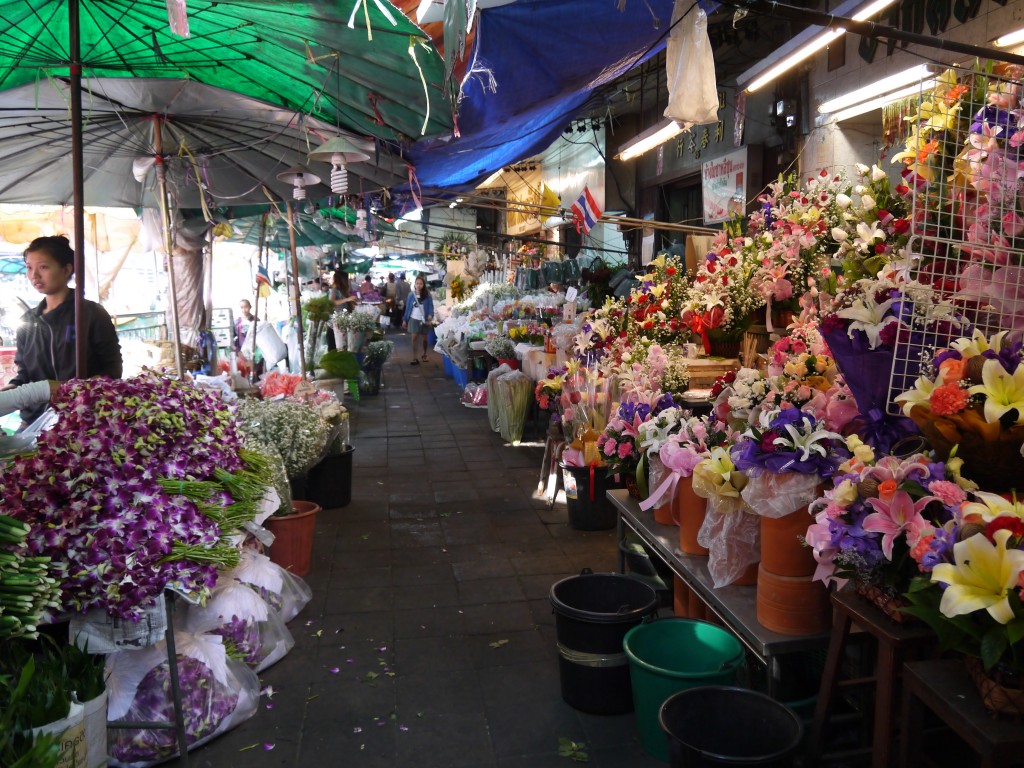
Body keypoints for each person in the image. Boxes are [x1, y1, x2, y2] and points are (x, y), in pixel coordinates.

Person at [8, 235, 122, 426]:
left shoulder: (90, 314)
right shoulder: (27, 321)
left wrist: (79, 391)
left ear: (66, 269)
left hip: (80, 421)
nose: (34, 275)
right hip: (33, 422)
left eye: (43, 267)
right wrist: (7, 394)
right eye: (29, 267)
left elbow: (112, 370)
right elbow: (24, 375)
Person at [402, 275, 434, 365]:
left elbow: (431, 306)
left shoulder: (427, 295)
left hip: (424, 319)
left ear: (423, 285)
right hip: (413, 318)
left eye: (421, 283)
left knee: (425, 339)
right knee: (414, 338)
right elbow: (407, 307)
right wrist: (405, 320)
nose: (419, 285)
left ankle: (424, 354)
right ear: (414, 285)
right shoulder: (411, 295)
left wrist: (430, 315)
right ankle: (414, 357)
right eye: (417, 283)